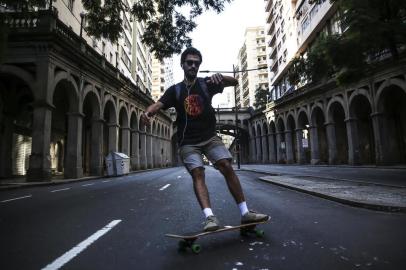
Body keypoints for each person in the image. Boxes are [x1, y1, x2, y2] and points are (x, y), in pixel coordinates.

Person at [141, 47, 268, 231]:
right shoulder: (175, 90)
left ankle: (246, 213)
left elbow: (235, 81)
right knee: (198, 172)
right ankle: (210, 218)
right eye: (189, 62)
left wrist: (221, 77)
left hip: (210, 137)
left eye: (196, 63)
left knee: (226, 165)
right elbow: (157, 105)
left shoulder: (206, 83)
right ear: (182, 65)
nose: (193, 66)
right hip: (188, 143)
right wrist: (147, 113)